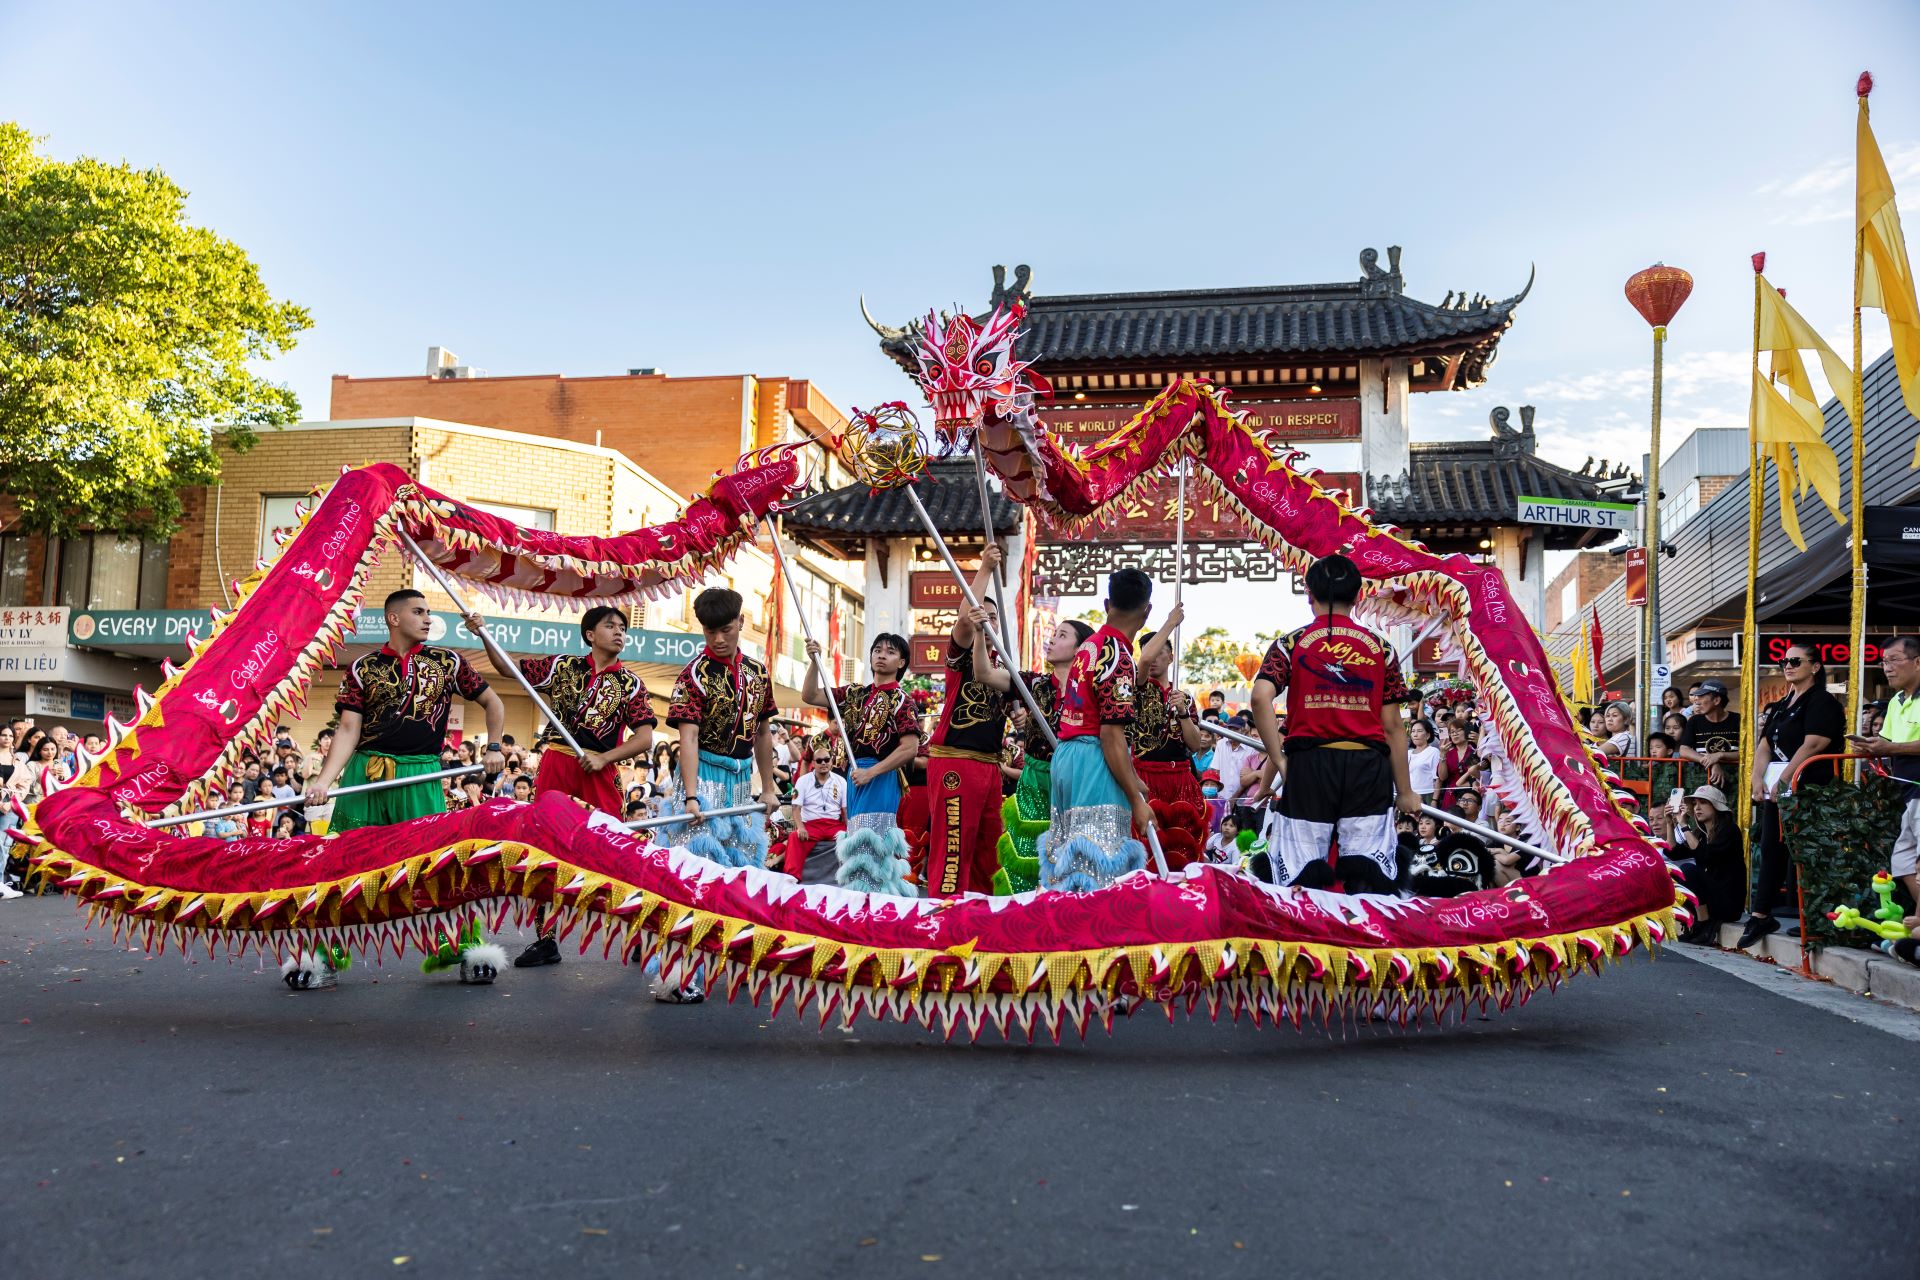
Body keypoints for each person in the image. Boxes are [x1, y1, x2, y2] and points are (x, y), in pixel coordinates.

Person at [302, 589, 507, 987]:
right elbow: (348, 728)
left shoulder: (448, 662)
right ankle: (326, 957)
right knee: (347, 862)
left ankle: (466, 949)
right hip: (365, 774)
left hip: (422, 775)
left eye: (429, 612)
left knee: (437, 864)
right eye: (419, 612)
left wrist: (495, 746)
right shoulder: (363, 667)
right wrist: (324, 781)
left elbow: (494, 703)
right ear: (393, 619)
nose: (428, 619)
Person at [1251, 553, 1420, 895]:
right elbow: (1393, 727)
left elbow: (1258, 699)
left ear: (1309, 594)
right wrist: (1404, 791)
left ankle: (1302, 943)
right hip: (1367, 768)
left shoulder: (1291, 644)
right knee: (1369, 873)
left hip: (1309, 765)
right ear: (1358, 596)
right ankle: (1368, 943)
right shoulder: (1380, 647)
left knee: (1299, 873)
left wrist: (1281, 761)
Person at [509, 606, 658, 968]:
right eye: (611, 626)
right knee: (543, 853)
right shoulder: (562, 666)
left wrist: (606, 759)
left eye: (623, 627)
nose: (620, 632)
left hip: (599, 770)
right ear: (590, 634)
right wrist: (481, 633)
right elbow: (510, 670)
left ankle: (637, 935)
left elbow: (645, 738)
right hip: (557, 764)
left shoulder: (630, 683)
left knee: (613, 852)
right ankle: (546, 940)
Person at [659, 588, 780, 1002]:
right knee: (692, 873)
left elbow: (763, 732)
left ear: (741, 624)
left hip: (741, 781)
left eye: (726, 630)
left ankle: (738, 960)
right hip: (703, 778)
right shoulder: (693, 674)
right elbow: (687, 738)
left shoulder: (759, 673)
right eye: (710, 632)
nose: (718, 640)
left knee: (744, 872)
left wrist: (768, 785)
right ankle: (677, 975)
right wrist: (691, 796)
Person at [1038, 567, 1156, 891]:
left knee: (1067, 860)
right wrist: (1135, 799)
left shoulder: (1088, 646)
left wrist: (1131, 778)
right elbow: (1111, 735)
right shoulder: (1118, 655)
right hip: (1093, 759)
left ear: (1107, 604)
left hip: (1066, 756)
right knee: (1099, 865)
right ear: (1147, 612)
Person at [1739, 642, 1845, 948]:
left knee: (1809, 854)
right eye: (1784, 660)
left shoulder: (1823, 702)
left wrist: (1786, 778)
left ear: (1815, 666)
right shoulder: (1782, 704)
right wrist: (1757, 777)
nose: (1788, 665)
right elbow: (1765, 744)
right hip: (1779, 789)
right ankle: (1760, 915)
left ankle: (1815, 921)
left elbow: (1814, 743)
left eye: (1796, 661)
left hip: (1811, 789)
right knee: (1771, 847)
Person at [924, 545, 1016, 896]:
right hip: (955, 763)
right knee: (953, 848)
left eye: (993, 617)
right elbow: (965, 620)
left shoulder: (1004, 668)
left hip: (990, 768)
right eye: (983, 613)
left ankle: (982, 918)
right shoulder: (962, 655)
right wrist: (985, 568)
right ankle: (945, 918)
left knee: (989, 849)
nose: (987, 620)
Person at [977, 618, 1092, 894]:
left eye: (1062, 635)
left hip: (1073, 783)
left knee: (1070, 860)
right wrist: (981, 633)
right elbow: (984, 673)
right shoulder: (1033, 683)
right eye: (1053, 634)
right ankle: (1018, 921)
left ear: (1079, 650)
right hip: (1034, 781)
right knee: (1025, 857)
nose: (1051, 640)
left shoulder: (1091, 690)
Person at [800, 632, 919, 895]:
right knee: (856, 840)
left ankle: (873, 901)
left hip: (881, 776)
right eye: (878, 649)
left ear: (901, 662)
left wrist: (871, 772)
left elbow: (910, 748)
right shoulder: (854, 693)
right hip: (855, 775)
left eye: (890, 651)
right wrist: (812, 661)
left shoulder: (903, 700)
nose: (881, 655)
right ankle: (861, 900)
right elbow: (810, 695)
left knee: (872, 843)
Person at [1127, 611, 1209, 868]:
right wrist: (1171, 623)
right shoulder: (1136, 688)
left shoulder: (1183, 697)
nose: (1152, 658)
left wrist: (1183, 712)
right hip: (1146, 777)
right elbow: (1145, 660)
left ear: (1171, 656)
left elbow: (1195, 745)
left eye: (1160, 652)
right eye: (1147, 652)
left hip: (1181, 778)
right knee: (1146, 848)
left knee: (1183, 849)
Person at [1852, 636, 1920, 912]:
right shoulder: (1895, 701)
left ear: (1917, 662)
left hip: (1918, 787)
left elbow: (1892, 745)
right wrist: (1867, 748)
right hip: (1905, 793)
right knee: (1903, 862)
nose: (1887, 668)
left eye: (1894, 660)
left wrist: (1890, 747)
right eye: (1883, 662)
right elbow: (1886, 744)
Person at [1671, 784, 1744, 943]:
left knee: (1689, 870)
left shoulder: (1730, 830)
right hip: (1713, 899)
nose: (1697, 807)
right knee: (1672, 872)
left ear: (1717, 807)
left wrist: (1684, 826)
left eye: (1703, 803)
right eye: (1695, 803)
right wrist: (1671, 824)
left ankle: (1704, 924)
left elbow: (1706, 856)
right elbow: (1673, 853)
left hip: (1728, 903)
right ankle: (1697, 922)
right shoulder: (1702, 833)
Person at [783, 752, 849, 884]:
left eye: (826, 759)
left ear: (831, 761)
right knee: (795, 837)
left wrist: (849, 828)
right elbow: (796, 808)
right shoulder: (802, 781)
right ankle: (791, 877)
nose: (823, 763)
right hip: (812, 825)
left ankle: (853, 877)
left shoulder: (841, 781)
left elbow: (845, 810)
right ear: (813, 763)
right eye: (819, 761)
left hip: (834, 825)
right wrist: (800, 827)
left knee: (854, 838)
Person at [1678, 679, 1741, 790]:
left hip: (1736, 783)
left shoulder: (1738, 720)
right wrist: (1711, 762)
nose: (1697, 701)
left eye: (1702, 696)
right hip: (1702, 783)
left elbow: (1748, 753)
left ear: (1716, 700)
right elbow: (1684, 750)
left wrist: (1720, 755)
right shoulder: (1694, 721)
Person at [1436, 719, 1477, 812]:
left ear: (1466, 731)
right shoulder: (1448, 753)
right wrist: (1442, 755)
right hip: (1451, 796)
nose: (1454, 734)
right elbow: (1442, 777)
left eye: (1458, 730)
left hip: (1470, 795)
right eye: (1452, 732)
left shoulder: (1474, 751)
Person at [1406, 719, 1441, 803]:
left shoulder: (1433, 752)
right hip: (1409, 795)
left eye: (1419, 731)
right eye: (1413, 731)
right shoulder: (1408, 753)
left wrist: (1434, 800)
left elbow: (1438, 779)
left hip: (1427, 795)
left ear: (1428, 735)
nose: (1415, 734)